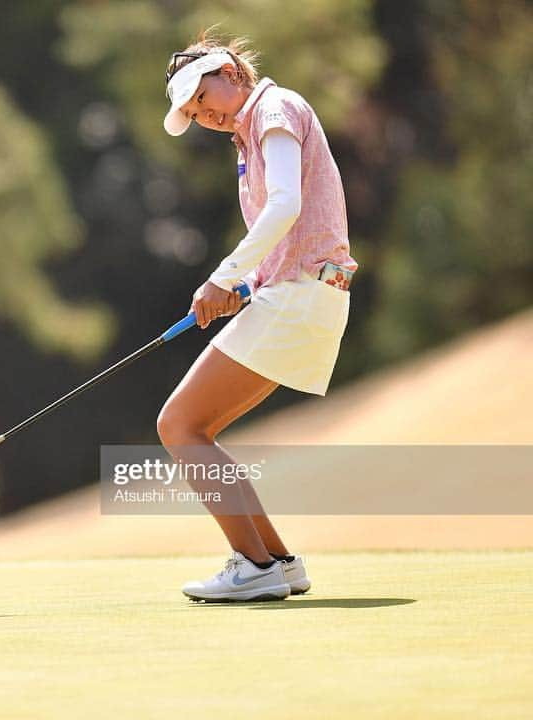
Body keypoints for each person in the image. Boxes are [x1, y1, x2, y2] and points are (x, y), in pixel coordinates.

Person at [155, 29, 357, 602]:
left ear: (232, 72)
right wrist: (243, 283)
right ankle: (278, 563)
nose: (202, 115)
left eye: (203, 96)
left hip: (302, 297)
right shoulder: (248, 138)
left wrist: (221, 276)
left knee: (179, 426)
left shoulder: (274, 107)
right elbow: (282, 232)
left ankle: (254, 564)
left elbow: (286, 206)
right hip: (300, 295)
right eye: (192, 112)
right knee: (197, 429)